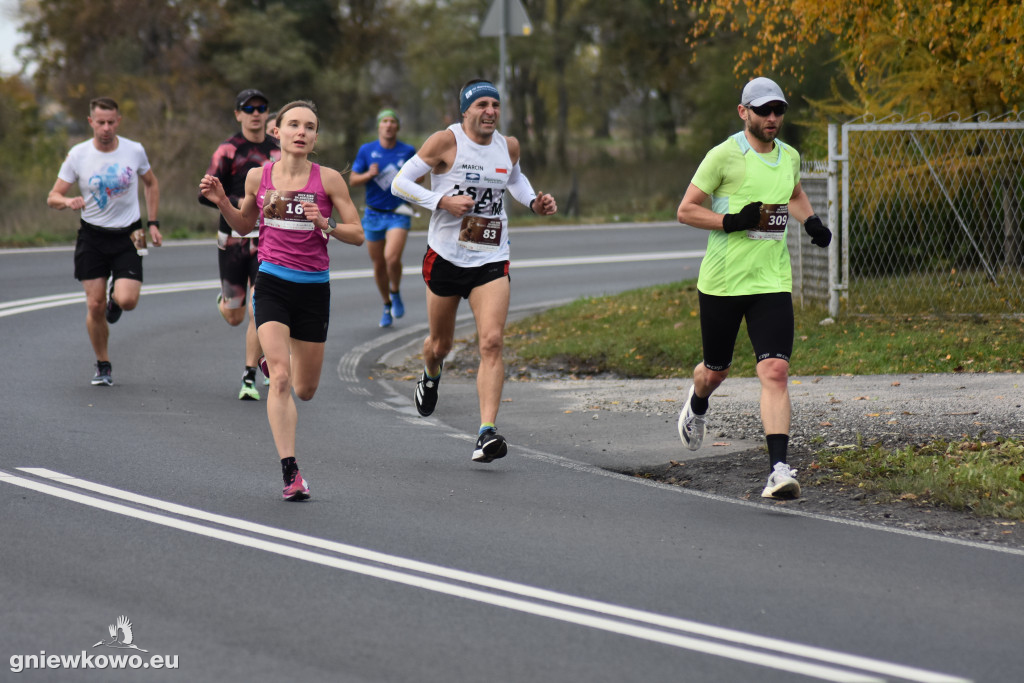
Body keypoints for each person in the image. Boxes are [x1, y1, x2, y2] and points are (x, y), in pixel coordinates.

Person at [675, 76, 832, 499]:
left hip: (771, 281)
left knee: (775, 371)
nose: (772, 118)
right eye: (763, 110)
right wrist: (731, 221)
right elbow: (686, 210)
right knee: (716, 371)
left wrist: (811, 221)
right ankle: (697, 402)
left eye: (778, 110)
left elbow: (793, 191)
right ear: (743, 112)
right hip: (724, 282)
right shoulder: (723, 156)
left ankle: (778, 470)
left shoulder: (789, 157)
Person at [199, 100, 363, 501]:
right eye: (293, 124)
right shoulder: (259, 176)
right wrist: (223, 200)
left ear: (316, 137)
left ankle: (275, 367)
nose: (301, 132)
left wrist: (326, 225)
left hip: (313, 288)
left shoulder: (328, 181)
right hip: (271, 281)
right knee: (282, 379)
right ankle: (291, 474)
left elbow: (357, 233)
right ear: (278, 132)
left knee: (305, 389)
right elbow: (244, 225)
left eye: (309, 126)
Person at [391, 79, 557, 463]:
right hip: (446, 257)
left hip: (491, 257)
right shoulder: (444, 142)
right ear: (465, 110)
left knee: (492, 342)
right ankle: (431, 374)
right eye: (481, 104)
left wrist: (534, 201)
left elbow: (513, 178)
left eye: (495, 105)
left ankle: (486, 432)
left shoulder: (508, 145)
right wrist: (442, 201)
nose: (490, 112)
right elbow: (400, 182)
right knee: (440, 345)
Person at [47, 97, 162, 387]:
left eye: (111, 122)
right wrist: (67, 201)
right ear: (91, 123)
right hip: (92, 235)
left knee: (128, 300)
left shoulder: (134, 150)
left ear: (118, 121)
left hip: (132, 233)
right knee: (94, 305)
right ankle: (103, 363)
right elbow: (53, 196)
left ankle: (116, 299)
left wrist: (153, 223)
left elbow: (151, 182)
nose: (106, 128)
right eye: (101, 122)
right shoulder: (78, 154)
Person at [199, 88, 281, 401]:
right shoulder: (228, 150)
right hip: (233, 238)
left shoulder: (278, 150)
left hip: (268, 239)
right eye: (249, 108)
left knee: (259, 309)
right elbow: (204, 194)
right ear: (238, 114)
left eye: (261, 107)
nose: (256, 113)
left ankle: (250, 376)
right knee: (235, 315)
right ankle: (225, 299)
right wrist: (244, 203)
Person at [349, 109, 418, 328]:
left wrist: (412, 174)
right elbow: (353, 180)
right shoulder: (367, 150)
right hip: (373, 214)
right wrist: (369, 174)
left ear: (397, 127)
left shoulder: (407, 151)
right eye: (384, 121)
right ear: (379, 126)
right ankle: (387, 304)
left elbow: (420, 175)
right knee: (378, 264)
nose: (388, 125)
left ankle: (395, 291)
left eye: (392, 121)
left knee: (391, 258)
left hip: (398, 213)